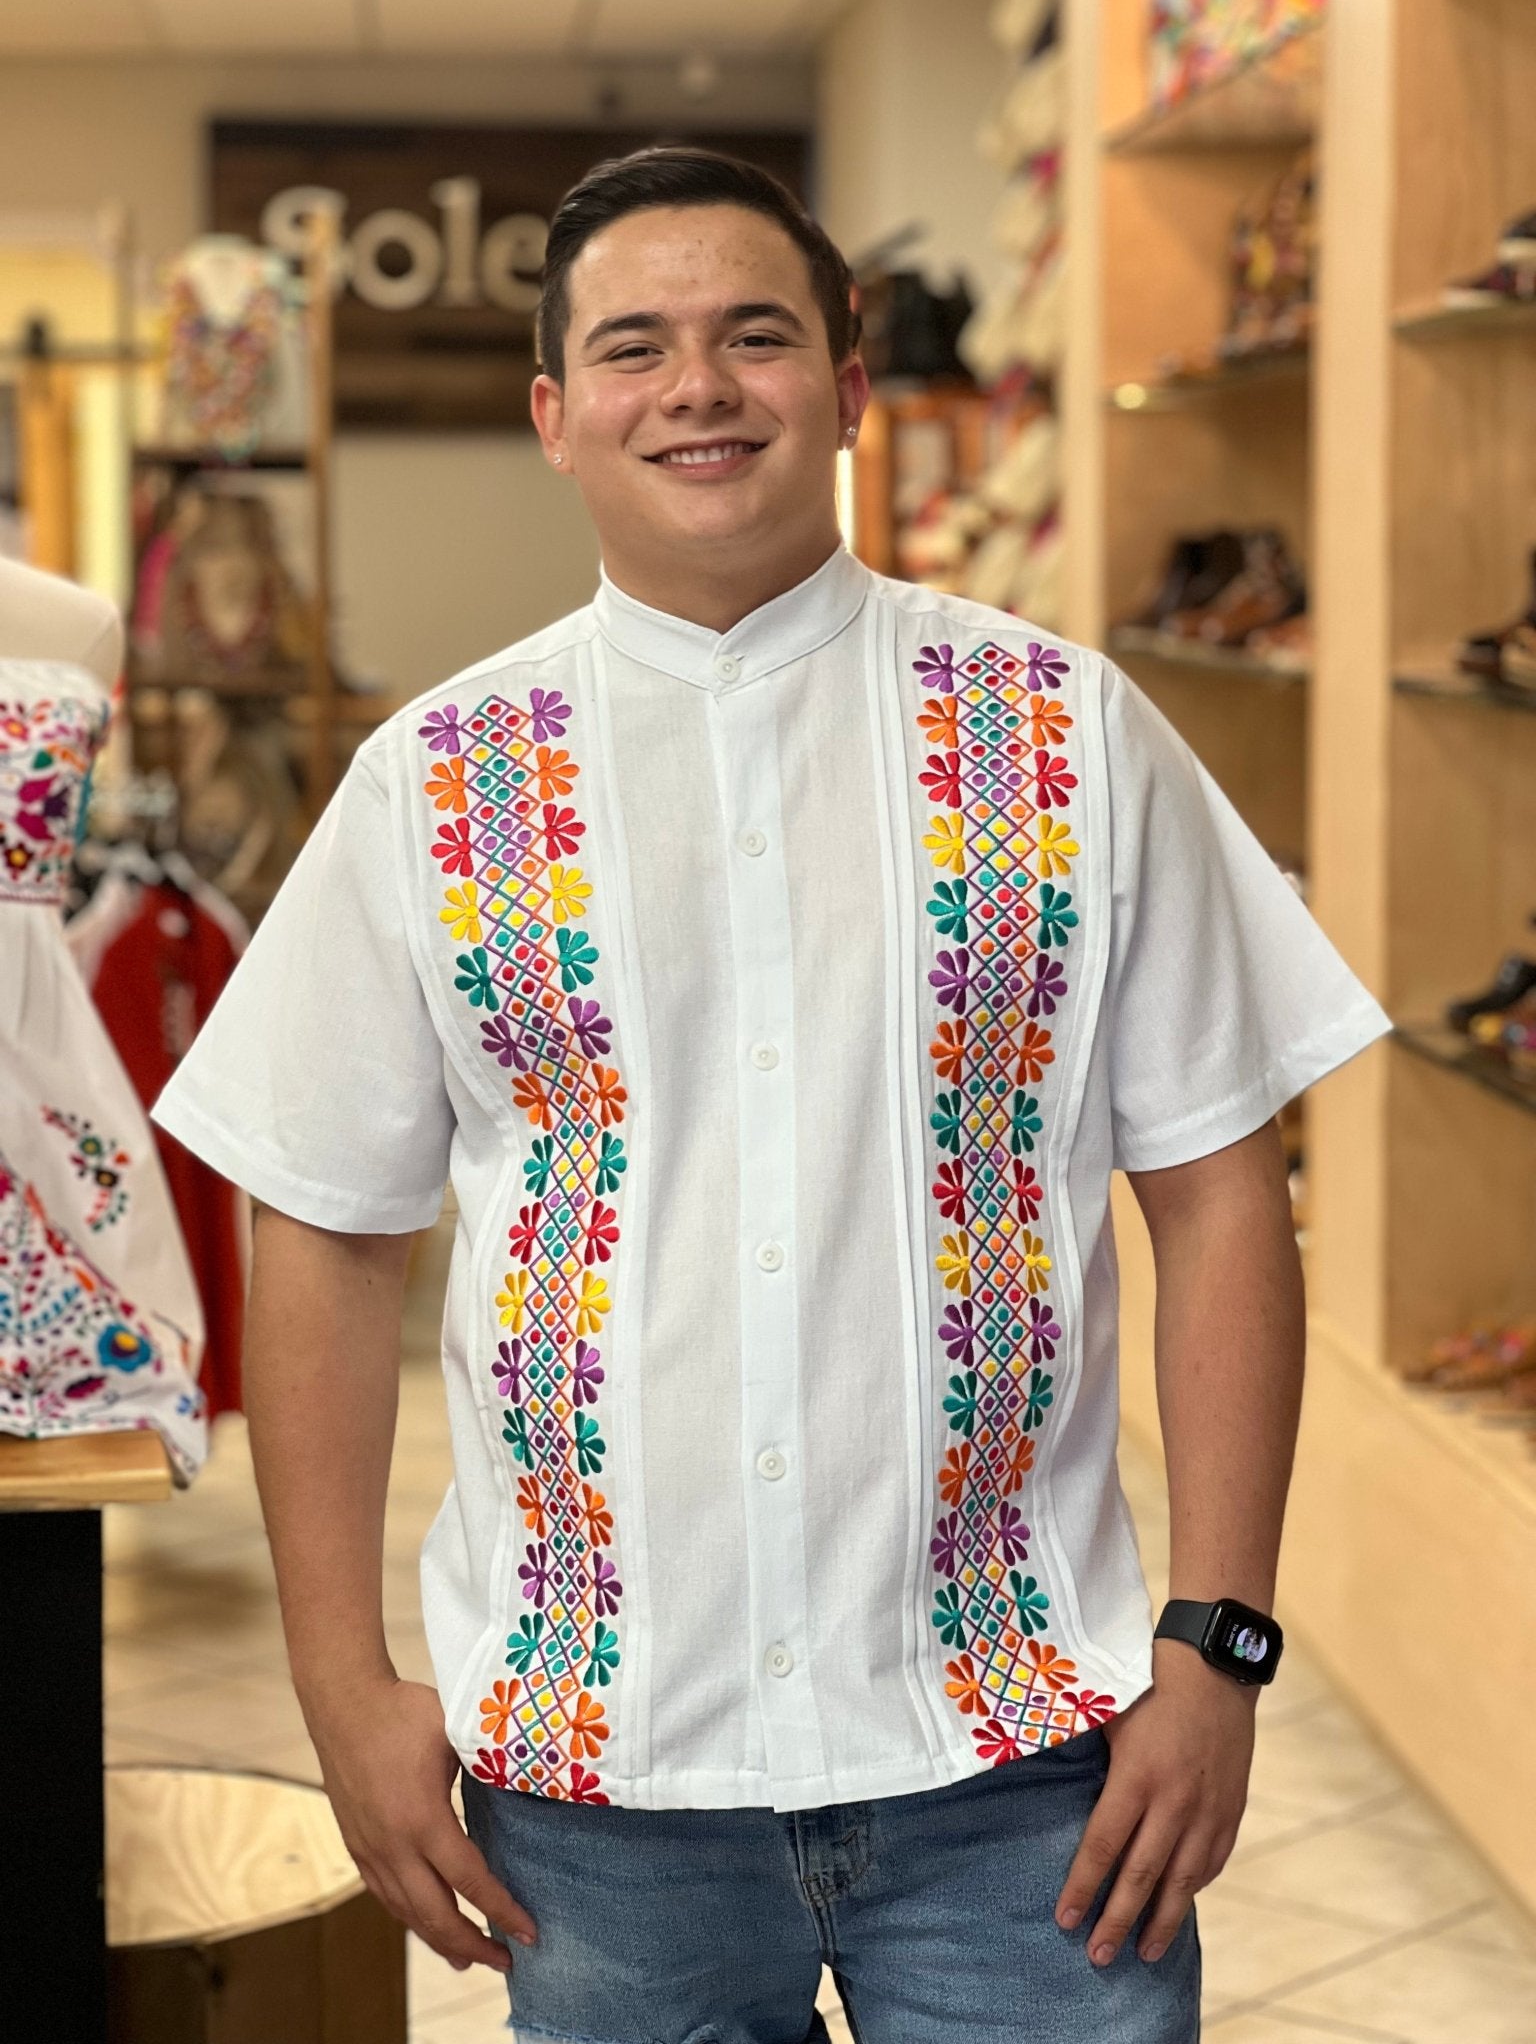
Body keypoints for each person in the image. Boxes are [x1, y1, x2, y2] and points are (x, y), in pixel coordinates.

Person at [151, 147, 1391, 2044]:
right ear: (556, 416)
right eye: (634, 348)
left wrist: (1218, 1645)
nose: (701, 386)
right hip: (598, 1777)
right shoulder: (435, 785)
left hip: (1024, 1761)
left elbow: (1222, 1189)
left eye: (755, 335)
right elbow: (320, 1228)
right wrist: (344, 1680)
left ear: (849, 381)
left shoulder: (1067, 736)